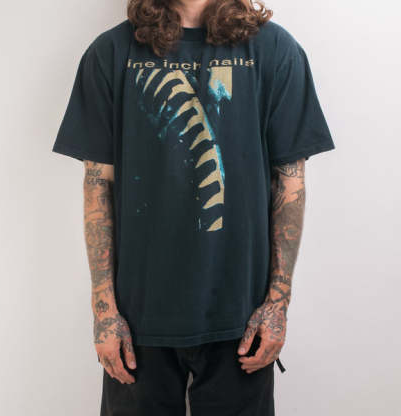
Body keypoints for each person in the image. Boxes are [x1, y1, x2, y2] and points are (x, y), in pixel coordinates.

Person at [52, 0, 335, 414]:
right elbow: (98, 186)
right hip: (138, 322)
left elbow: (290, 183)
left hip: (242, 320)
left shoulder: (274, 50)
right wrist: (104, 310)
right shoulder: (111, 53)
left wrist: (277, 305)